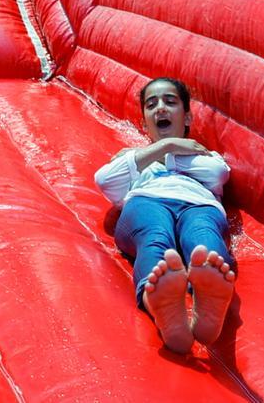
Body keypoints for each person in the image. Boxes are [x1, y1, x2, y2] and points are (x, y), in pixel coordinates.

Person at [94, 77, 236, 354]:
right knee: (155, 234)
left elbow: (217, 173)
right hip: (147, 201)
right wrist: (165, 146)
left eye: (170, 102)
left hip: (198, 204)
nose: (160, 108)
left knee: (202, 236)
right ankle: (160, 304)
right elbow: (105, 180)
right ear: (145, 121)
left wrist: (162, 153)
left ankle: (208, 301)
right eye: (152, 104)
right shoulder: (135, 156)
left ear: (187, 117)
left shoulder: (205, 155)